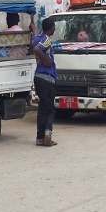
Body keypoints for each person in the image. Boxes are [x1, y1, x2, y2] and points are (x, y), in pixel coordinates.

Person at [33, 18, 58, 147]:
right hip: (47, 77)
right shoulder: (46, 39)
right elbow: (37, 49)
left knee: (42, 108)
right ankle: (48, 133)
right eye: (54, 27)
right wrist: (47, 61)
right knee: (50, 108)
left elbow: (34, 45)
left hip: (38, 76)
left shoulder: (37, 37)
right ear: (51, 28)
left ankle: (39, 137)